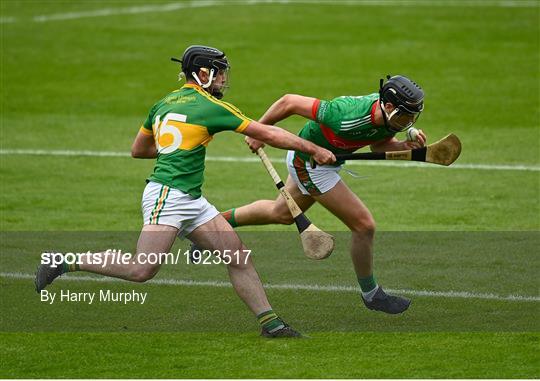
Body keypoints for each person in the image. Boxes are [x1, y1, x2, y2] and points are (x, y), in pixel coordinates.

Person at [34, 45, 336, 338]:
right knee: (142, 270)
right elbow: (267, 133)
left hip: (191, 199)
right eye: (218, 74)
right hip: (167, 196)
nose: (223, 80)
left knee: (238, 256)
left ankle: (272, 325)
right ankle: (62, 261)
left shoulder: (163, 104)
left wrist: (176, 148)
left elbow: (139, 150)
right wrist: (312, 149)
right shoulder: (210, 106)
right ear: (202, 73)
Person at [221, 75, 426, 314]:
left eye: (413, 116)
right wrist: (259, 131)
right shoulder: (345, 114)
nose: (410, 121)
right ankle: (372, 295)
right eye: (406, 115)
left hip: (325, 162)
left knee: (282, 213)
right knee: (364, 225)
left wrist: (403, 146)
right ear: (388, 106)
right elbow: (289, 102)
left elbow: (378, 145)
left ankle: (210, 225)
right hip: (310, 164)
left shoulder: (386, 118)